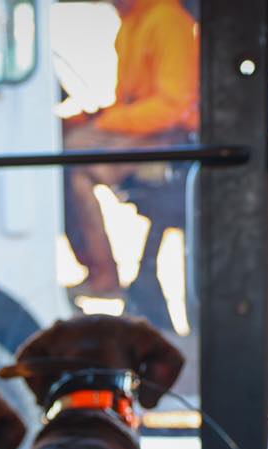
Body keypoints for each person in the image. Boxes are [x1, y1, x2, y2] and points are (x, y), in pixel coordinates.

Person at [63, 0, 200, 297]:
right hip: (146, 128)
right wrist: (89, 119)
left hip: (173, 136)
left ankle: (103, 276)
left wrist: (106, 123)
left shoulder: (166, 20)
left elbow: (173, 105)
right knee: (64, 143)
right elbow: (129, 99)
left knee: (75, 167)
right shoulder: (129, 25)